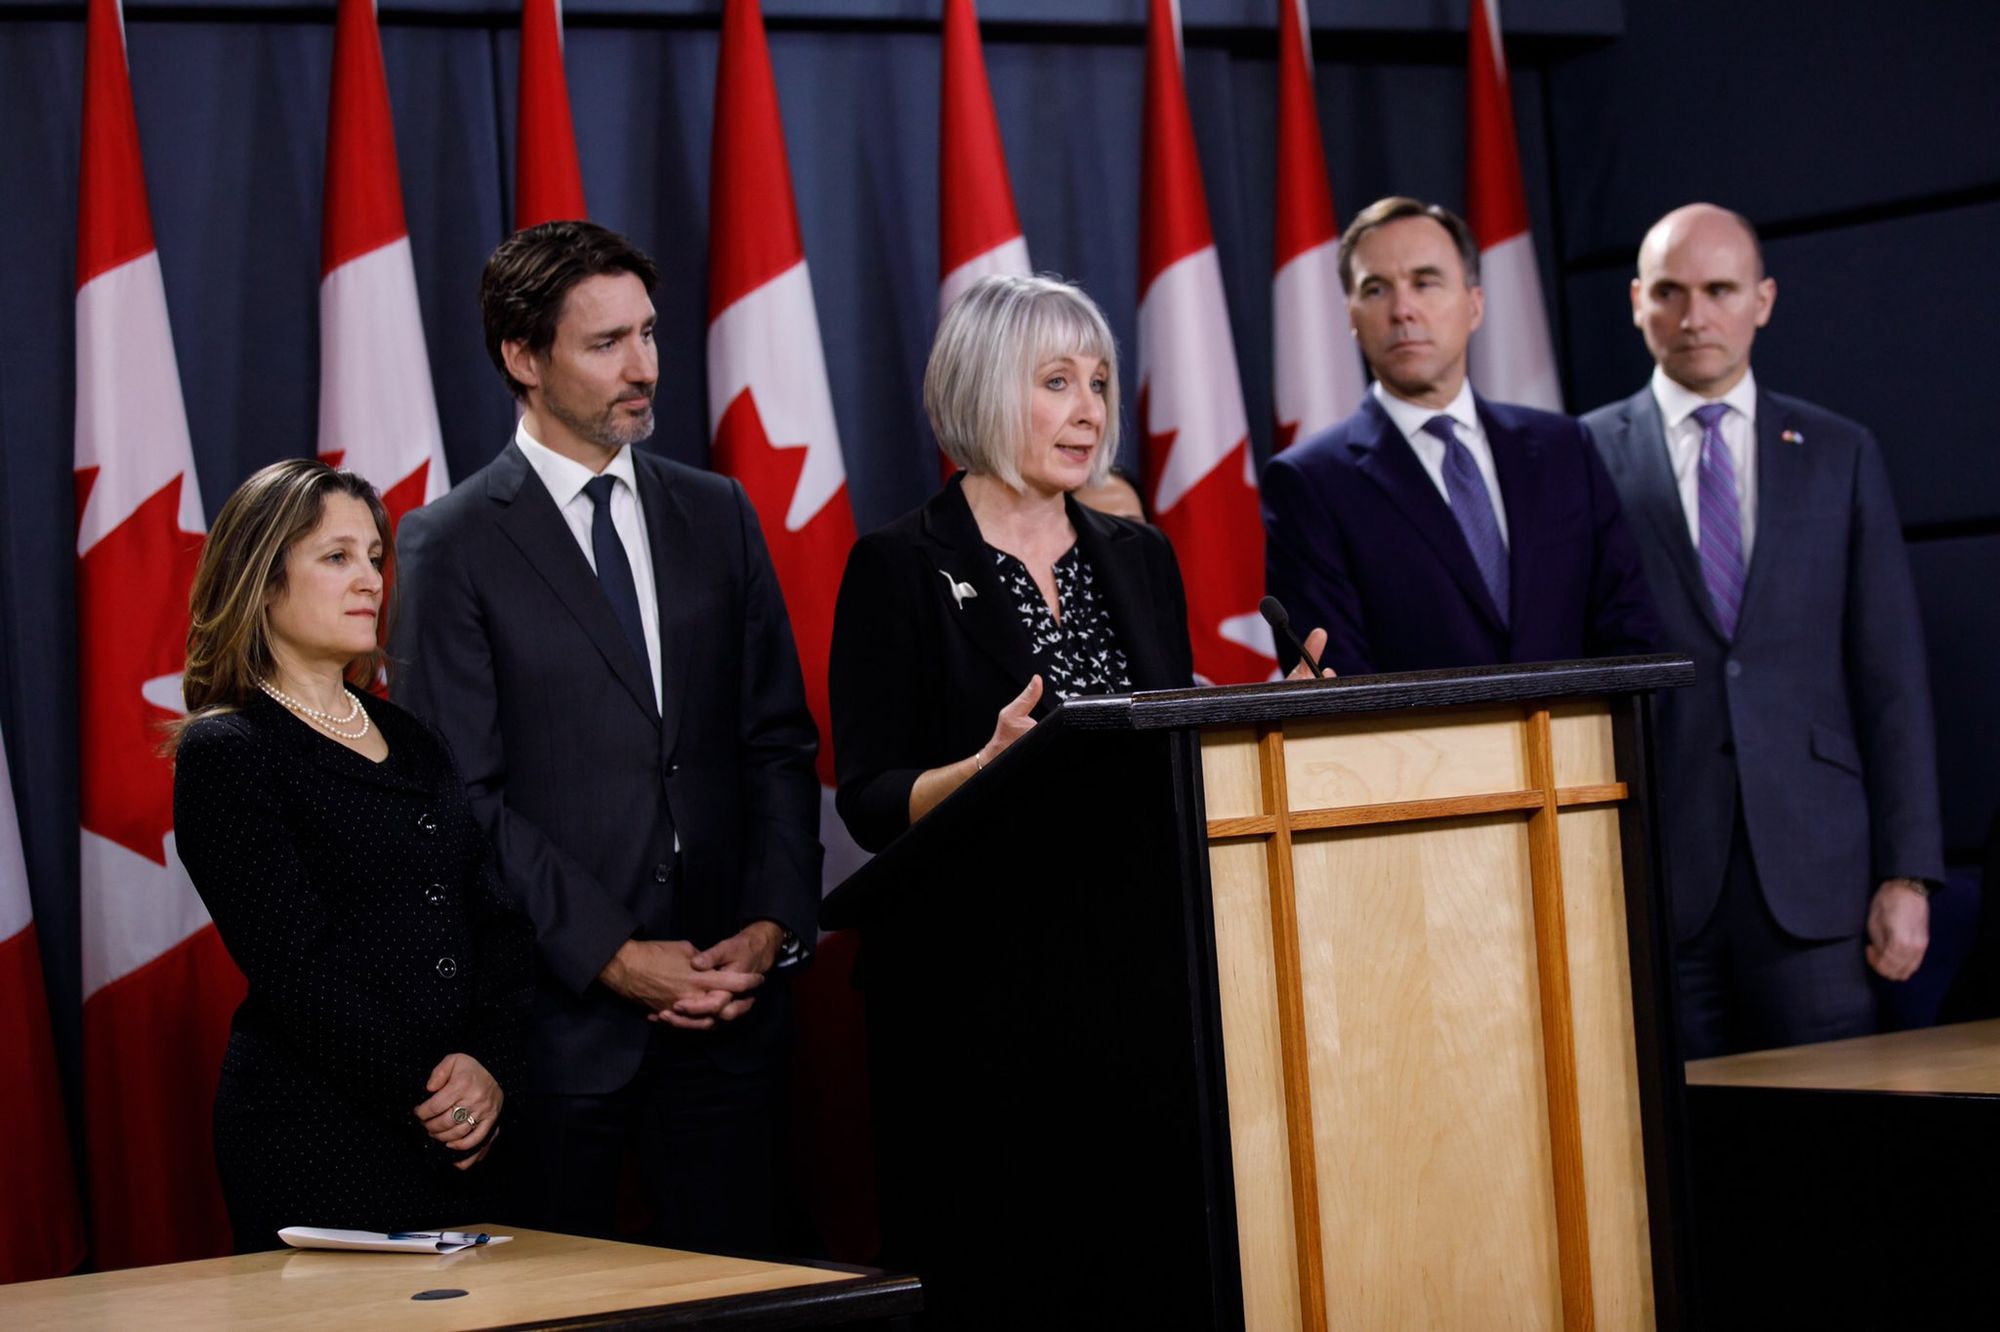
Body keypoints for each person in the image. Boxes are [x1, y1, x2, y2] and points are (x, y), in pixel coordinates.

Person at [391, 221, 822, 1251]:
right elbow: (462, 796)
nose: (644, 368)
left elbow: (777, 743)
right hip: (555, 1031)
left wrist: (769, 924)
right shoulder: (447, 544)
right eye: (605, 344)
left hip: (730, 1013)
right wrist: (615, 957)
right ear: (522, 358)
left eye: (649, 334)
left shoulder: (717, 514)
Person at [1582, 203, 1943, 1058]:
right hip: (1655, 876)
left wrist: (1907, 873)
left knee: (1834, 1152)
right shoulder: (1579, 455)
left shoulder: (1839, 450)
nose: (1694, 316)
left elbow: (1890, 673)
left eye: (1719, 289)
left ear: (1764, 299)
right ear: (1637, 301)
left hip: (1820, 881)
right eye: (1669, 291)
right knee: (1682, 1163)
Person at [171, 459, 532, 1250]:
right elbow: (299, 967)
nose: (369, 579)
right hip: (318, 1136)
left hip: (468, 1129)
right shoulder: (229, 750)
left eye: (374, 556)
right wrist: (431, 1096)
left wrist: (488, 1065)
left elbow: (495, 920)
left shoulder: (411, 736)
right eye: (336, 557)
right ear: (262, 582)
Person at [829, 274, 1210, 854]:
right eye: (1059, 382)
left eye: (1099, 383)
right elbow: (868, 804)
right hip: (986, 921)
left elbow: (1178, 754)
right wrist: (983, 766)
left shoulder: (1144, 555)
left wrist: (1264, 722)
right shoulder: (897, 564)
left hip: (1145, 914)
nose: (1091, 411)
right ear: (986, 391)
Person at [1262, 196, 1659, 676]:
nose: (1403, 309)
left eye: (1425, 283)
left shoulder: (1564, 448)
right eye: (1375, 290)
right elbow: (1339, 679)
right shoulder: (1310, 482)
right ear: (1350, 315)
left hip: (1573, 749)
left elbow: (1630, 635)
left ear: (1474, 305)